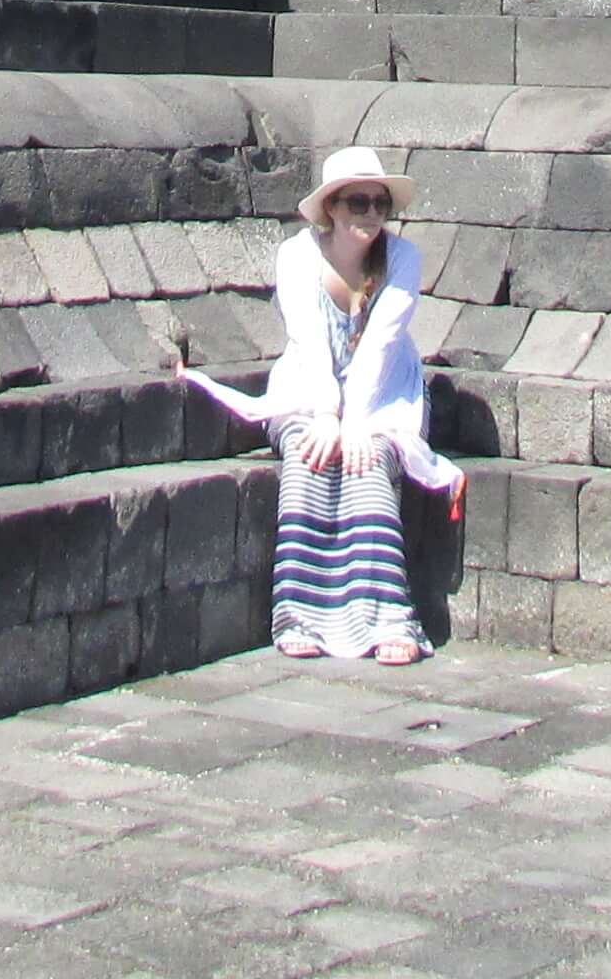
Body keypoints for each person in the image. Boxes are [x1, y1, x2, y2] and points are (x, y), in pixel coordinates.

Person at [179, 144, 458, 665]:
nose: (371, 214)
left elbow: (381, 345)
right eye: (358, 203)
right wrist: (328, 415)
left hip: (384, 395)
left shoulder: (403, 258)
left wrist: (354, 422)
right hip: (306, 390)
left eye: (380, 204)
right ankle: (298, 614)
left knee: (367, 463)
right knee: (309, 457)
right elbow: (308, 340)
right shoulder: (297, 256)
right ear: (331, 206)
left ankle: (387, 616)